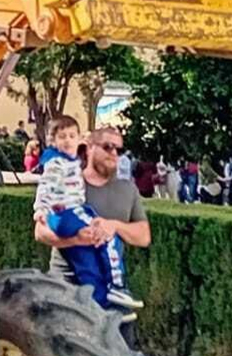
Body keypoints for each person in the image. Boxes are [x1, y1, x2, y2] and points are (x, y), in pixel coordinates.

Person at [32, 119, 148, 316]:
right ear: (90, 148)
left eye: (118, 150)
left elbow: (143, 236)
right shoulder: (68, 181)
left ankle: (114, 294)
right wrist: (76, 239)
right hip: (65, 287)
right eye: (108, 147)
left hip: (108, 290)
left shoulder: (127, 189)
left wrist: (114, 226)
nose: (114, 154)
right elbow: (40, 232)